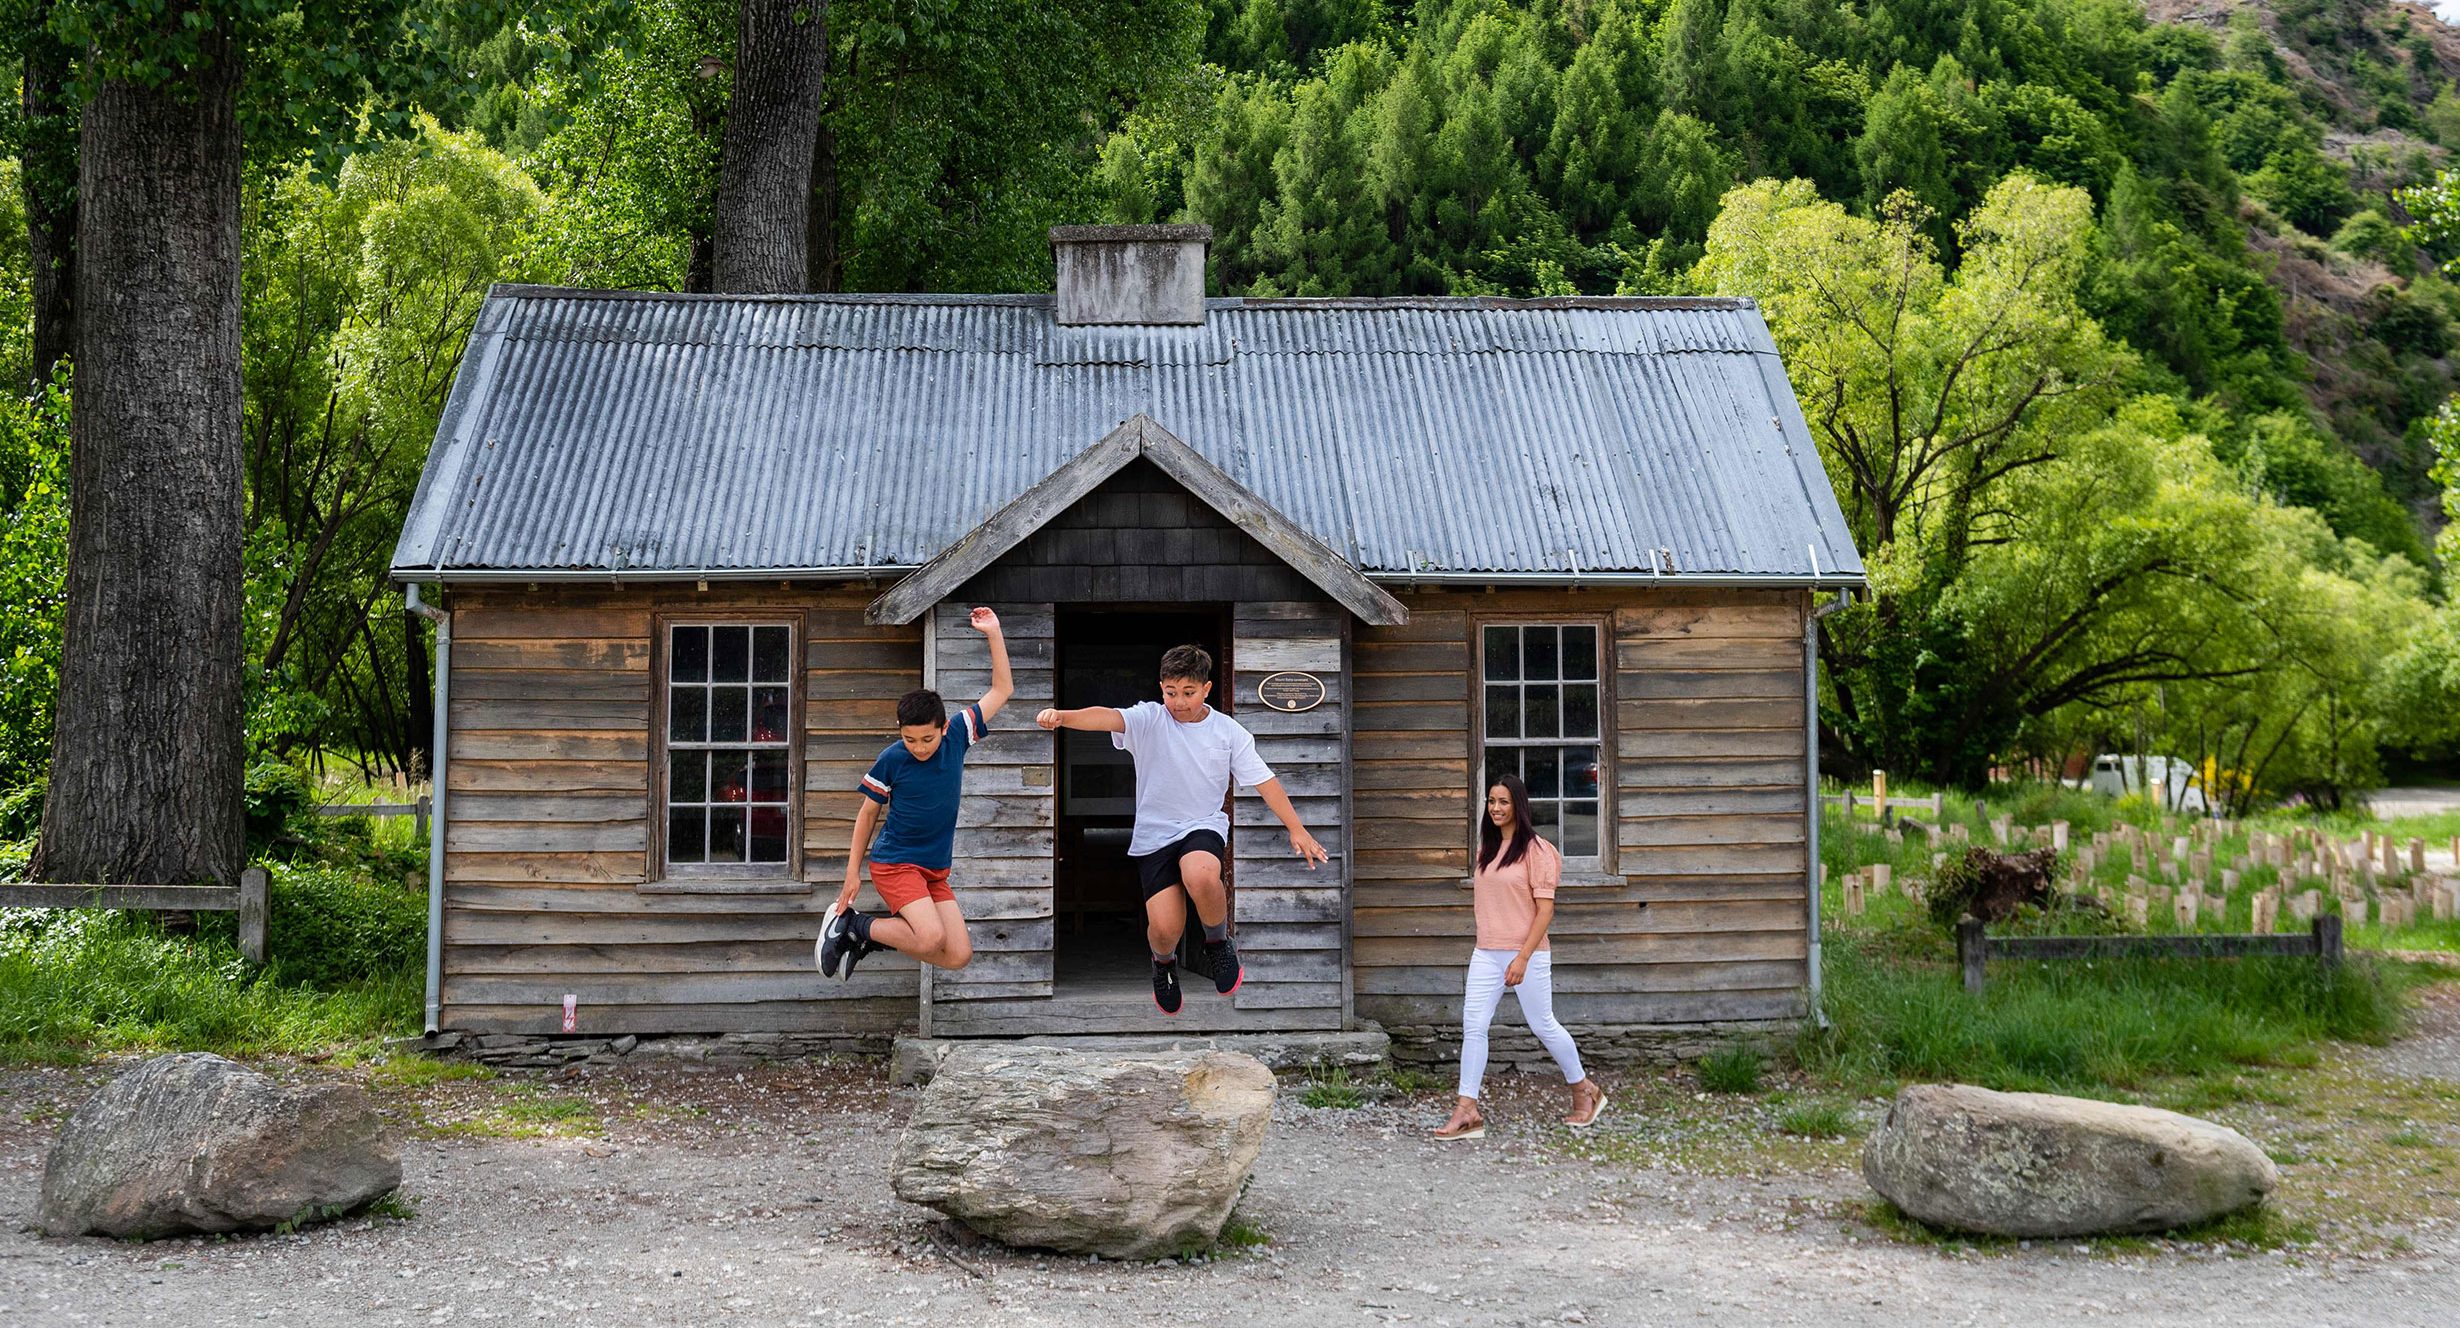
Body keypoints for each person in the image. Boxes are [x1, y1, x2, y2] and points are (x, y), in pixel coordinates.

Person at [1035, 643, 1328, 1015]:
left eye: (1188, 693)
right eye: (1171, 693)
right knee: (1164, 929)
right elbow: (1106, 717)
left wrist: (1296, 828)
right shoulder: (1150, 719)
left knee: (1201, 875)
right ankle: (1164, 964)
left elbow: (1264, 781)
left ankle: (1218, 943)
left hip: (1201, 825)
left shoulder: (1228, 732)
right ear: (1161, 688)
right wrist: (1063, 716)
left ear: (1206, 689)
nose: (1179, 702)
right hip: (1155, 835)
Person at [816, 607, 1012, 979]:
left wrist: (993, 632)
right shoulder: (893, 758)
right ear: (899, 730)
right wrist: (852, 872)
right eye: (910, 739)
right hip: (896, 863)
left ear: (942, 728)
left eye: (927, 738)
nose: (919, 747)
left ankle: (864, 938)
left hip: (934, 871)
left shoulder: (958, 735)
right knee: (928, 937)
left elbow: (1002, 690)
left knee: (957, 954)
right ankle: (854, 925)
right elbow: (867, 814)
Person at [1433, 773, 1605, 1138]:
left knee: (1543, 1024)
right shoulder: (1487, 849)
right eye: (1492, 801)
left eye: (1503, 802)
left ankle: (1583, 1089)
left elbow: (1545, 911)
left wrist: (1523, 958)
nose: (1496, 808)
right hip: (1486, 952)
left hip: (1527, 953)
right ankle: (1467, 1110)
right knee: (1474, 1026)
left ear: (1518, 806)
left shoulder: (1538, 851)